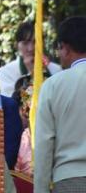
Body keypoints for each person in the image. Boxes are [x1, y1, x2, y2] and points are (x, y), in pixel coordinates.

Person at [35, 16, 86, 192]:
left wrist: (40, 189)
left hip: (68, 180)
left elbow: (44, 144)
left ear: (65, 48)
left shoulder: (53, 85)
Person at [0, 21, 62, 97]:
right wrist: (32, 74)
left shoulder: (56, 70)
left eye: (35, 42)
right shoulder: (6, 72)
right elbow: (12, 104)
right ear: (16, 45)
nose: (31, 48)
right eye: (25, 43)